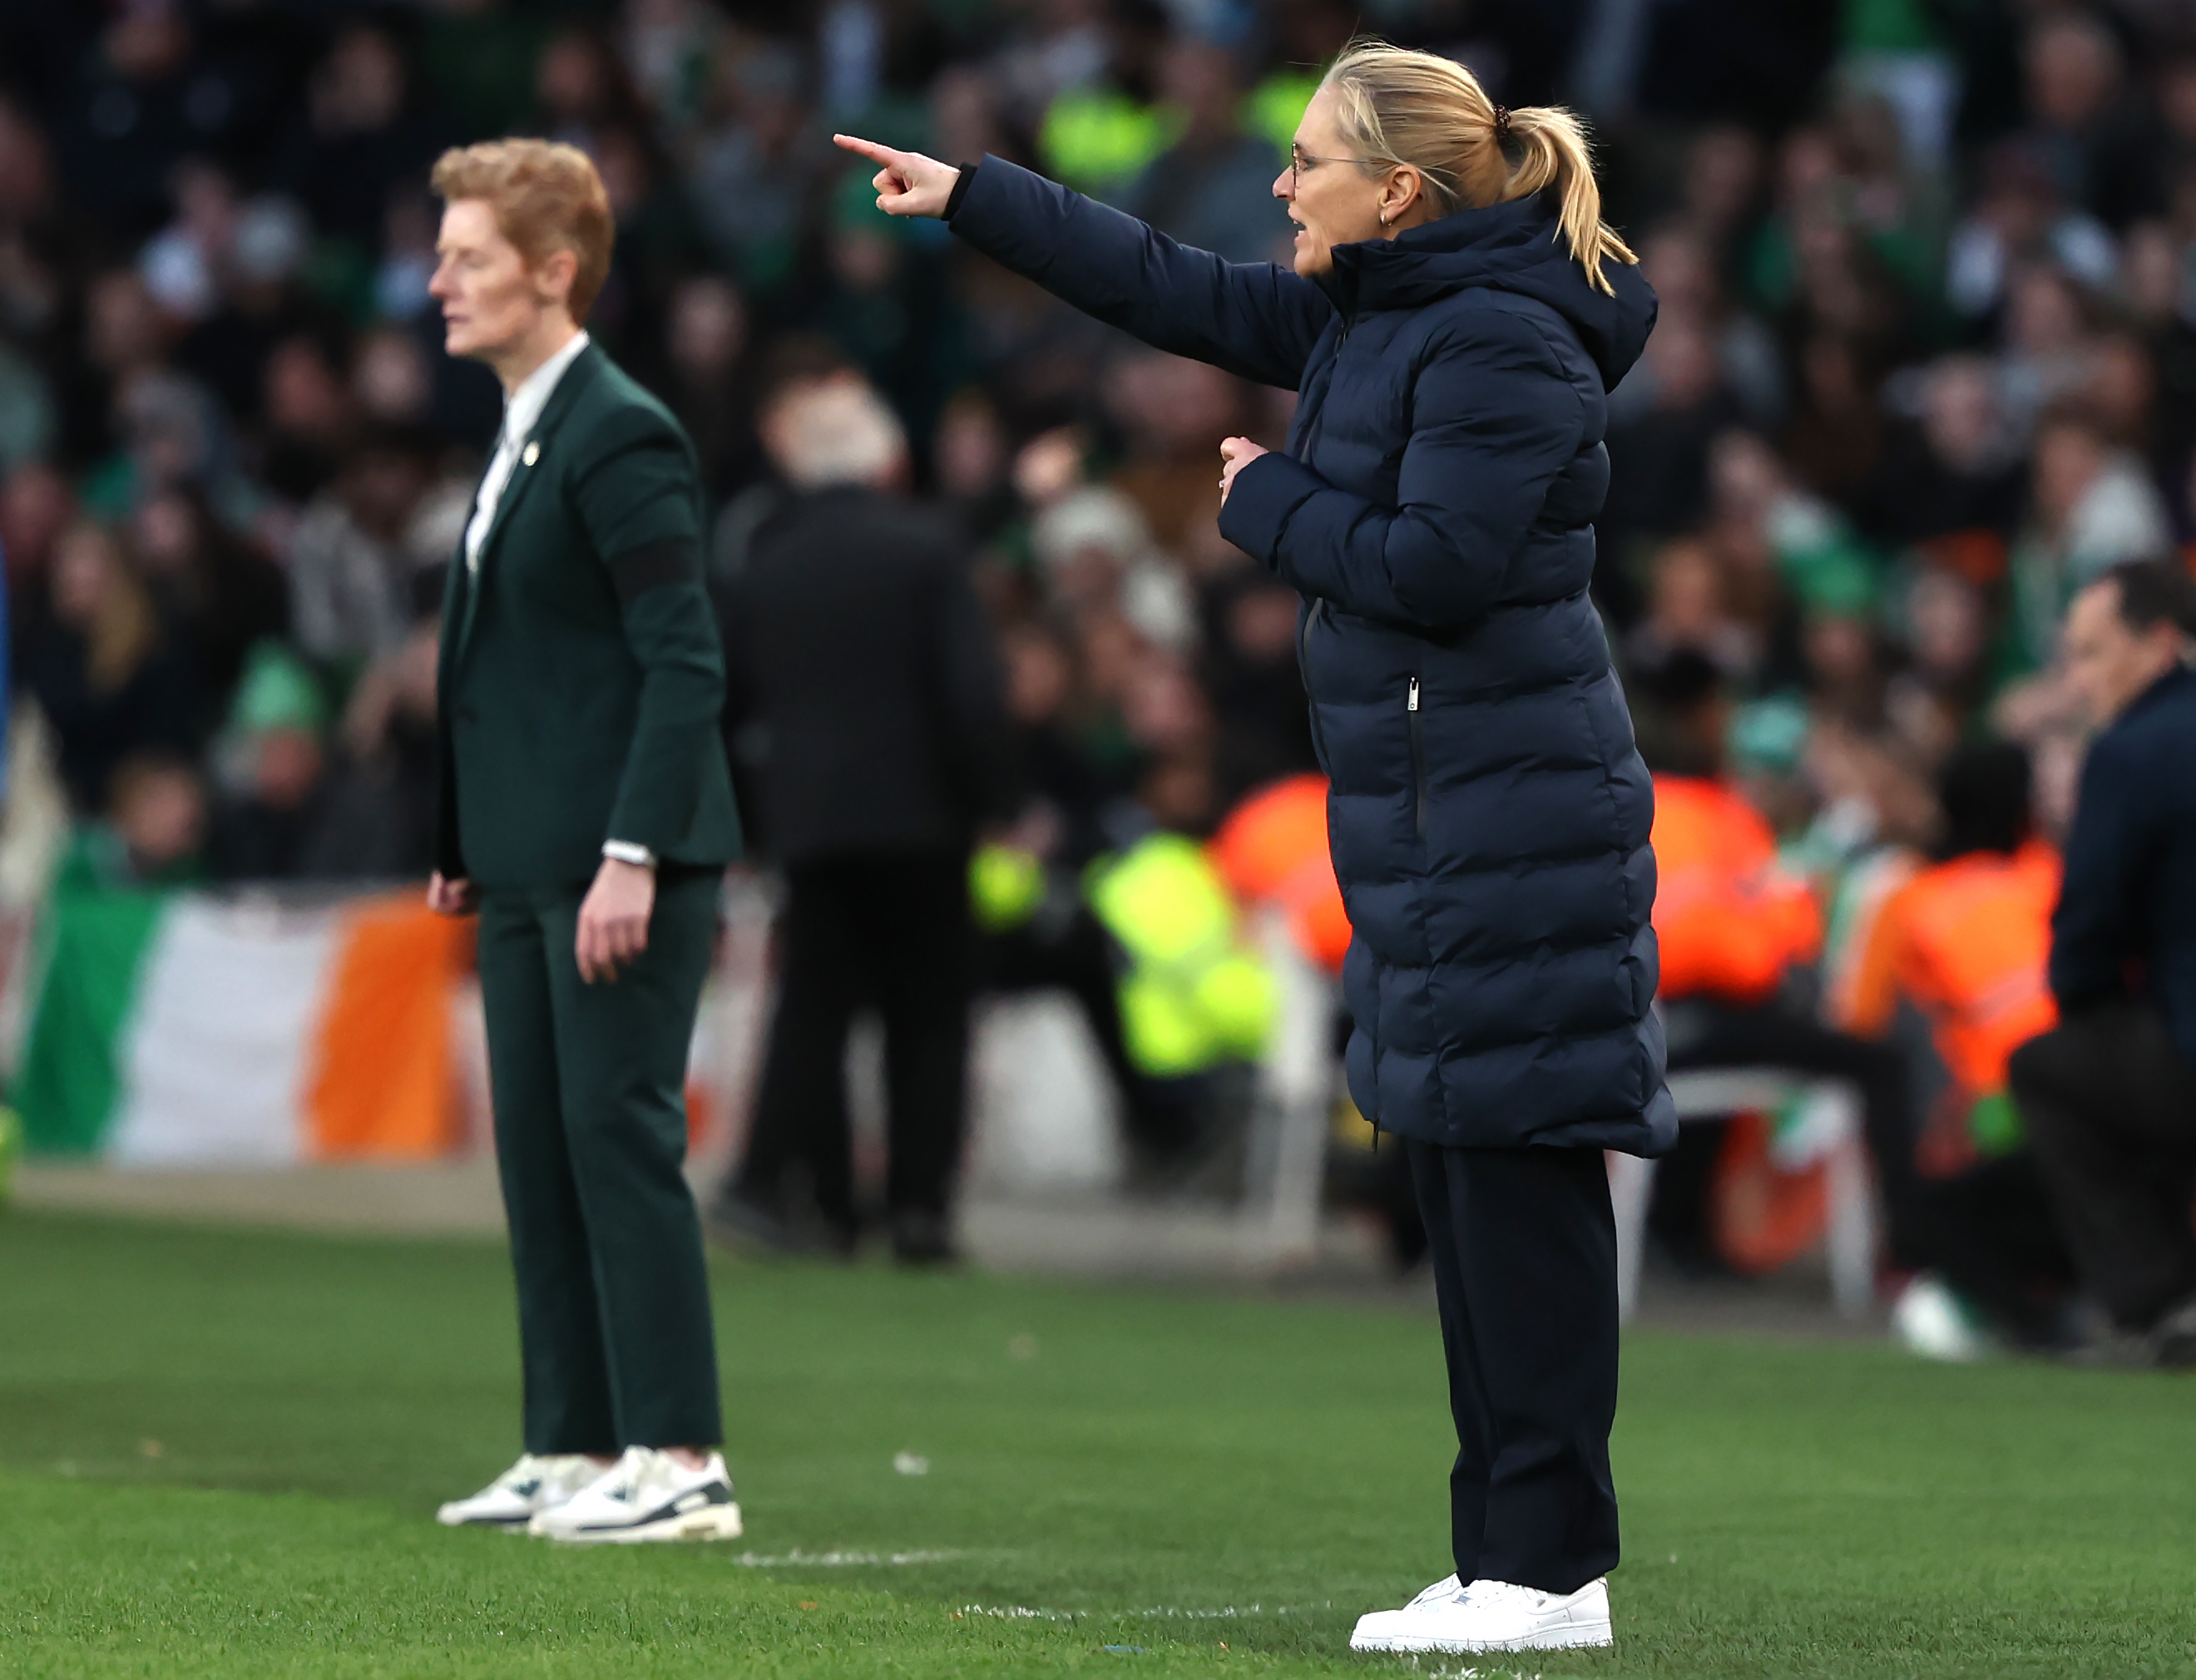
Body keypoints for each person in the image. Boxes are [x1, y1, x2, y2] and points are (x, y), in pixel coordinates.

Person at [840, 37, 1664, 1655]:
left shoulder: (1498, 339)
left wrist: (1266, 501)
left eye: (1307, 162)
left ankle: (1551, 1566)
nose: (1280, 186)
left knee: (1517, 1183)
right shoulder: (1390, 312)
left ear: (1399, 193)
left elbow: (1437, 566)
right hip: (1442, 817)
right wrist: (981, 200)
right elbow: (1177, 290)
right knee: (1460, 1175)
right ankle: (1508, 1552)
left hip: (1519, 815)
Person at [422, 139, 744, 1541]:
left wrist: (633, 851)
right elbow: (504, 666)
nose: (440, 278)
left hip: (618, 861)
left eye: (470, 257)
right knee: (541, 1156)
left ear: (555, 273)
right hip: (522, 857)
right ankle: (570, 1441)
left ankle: (681, 1459)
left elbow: (683, 662)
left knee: (616, 1141)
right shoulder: (523, 428)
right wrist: (460, 832)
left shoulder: (620, 430)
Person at [710, 370, 1016, 1264]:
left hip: (809, 820)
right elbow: (970, 692)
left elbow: (728, 703)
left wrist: (745, 822)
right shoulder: (925, 549)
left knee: (810, 1008)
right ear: (884, 461)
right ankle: (918, 1209)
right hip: (923, 818)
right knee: (928, 1017)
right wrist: (996, 796)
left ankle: (779, 1187)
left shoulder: (765, 560)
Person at [2010, 559, 2196, 1365]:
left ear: (2158, 643)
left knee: (2053, 1065)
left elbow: (2089, 925)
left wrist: (2084, 997)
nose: (2079, 680)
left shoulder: (2134, 751)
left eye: (2090, 653)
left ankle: (2161, 1301)